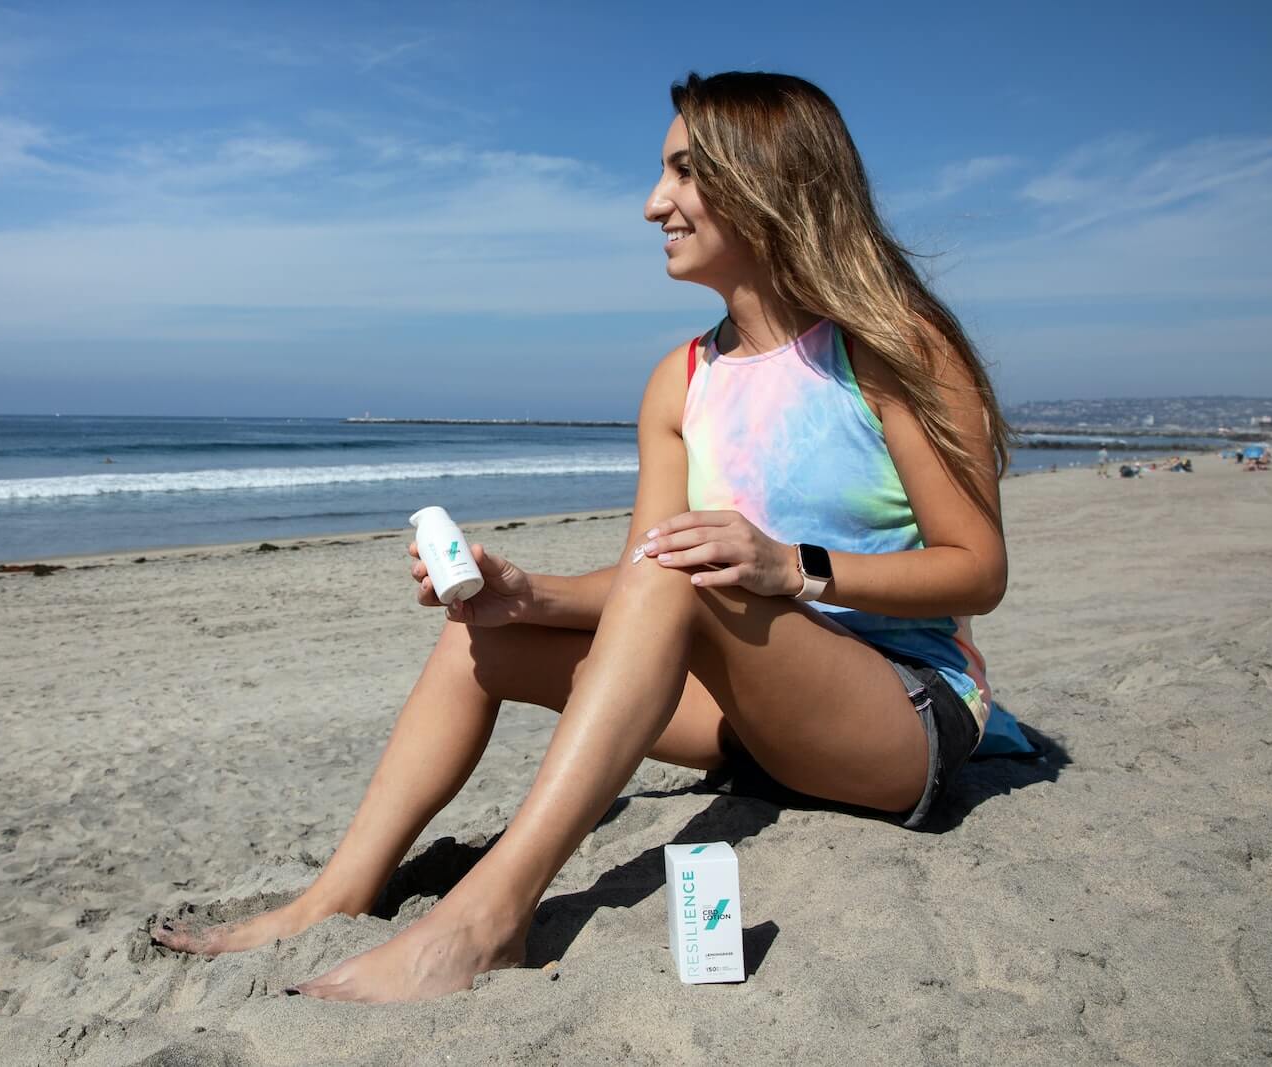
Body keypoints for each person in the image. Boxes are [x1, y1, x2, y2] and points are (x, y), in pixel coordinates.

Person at [151, 71, 1010, 1002]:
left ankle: (487, 920)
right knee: (481, 636)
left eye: (684, 172)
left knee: (693, 575)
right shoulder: (679, 381)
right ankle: (339, 895)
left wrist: (786, 566)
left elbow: (977, 571)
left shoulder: (893, 344)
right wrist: (528, 592)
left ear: (767, 178)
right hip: (755, 722)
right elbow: (652, 578)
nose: (654, 205)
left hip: (900, 717)